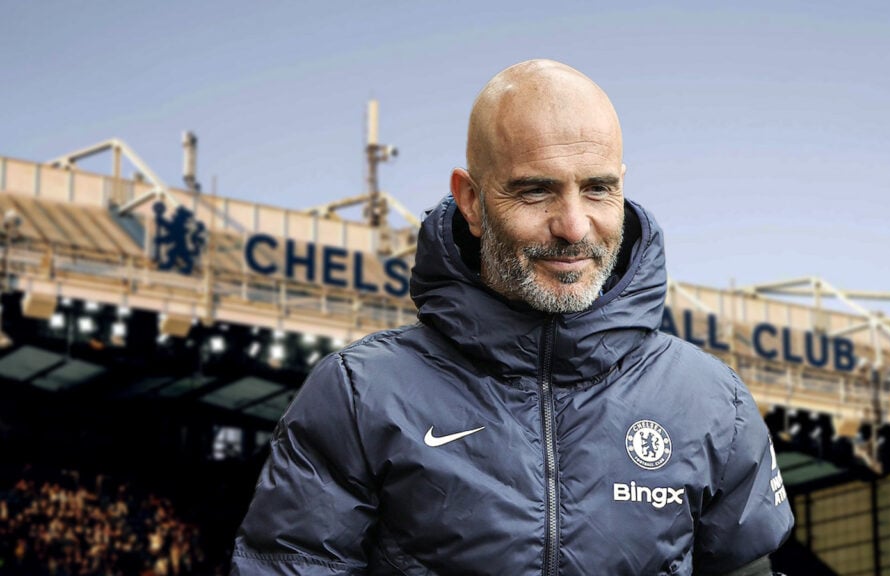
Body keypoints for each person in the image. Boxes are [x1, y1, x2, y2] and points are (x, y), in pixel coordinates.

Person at [231, 59, 794, 576]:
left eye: (598, 189)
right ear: (471, 201)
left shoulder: (712, 403)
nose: (573, 227)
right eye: (535, 192)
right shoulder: (358, 395)